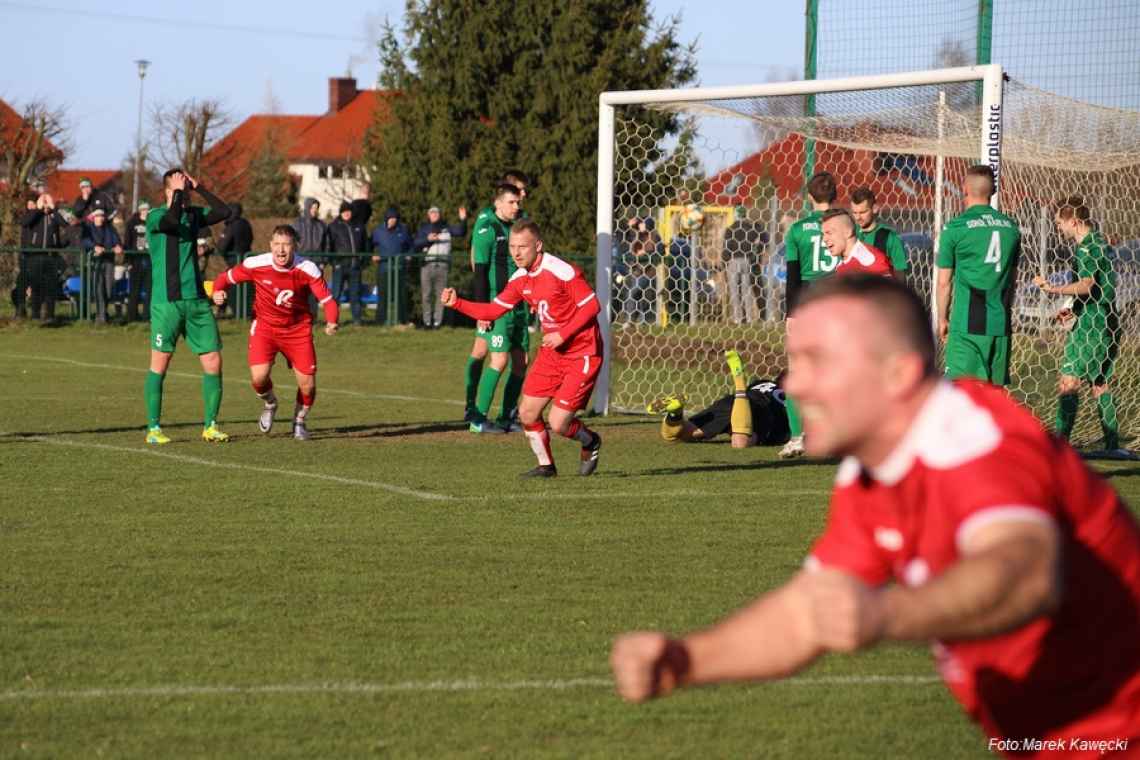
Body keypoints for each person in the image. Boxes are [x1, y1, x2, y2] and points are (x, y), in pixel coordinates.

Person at [611, 274, 1140, 754]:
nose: (795, 385)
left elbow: (1025, 573)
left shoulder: (974, 440)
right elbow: (807, 614)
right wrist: (686, 661)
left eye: (819, 362)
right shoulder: (871, 471)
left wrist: (885, 614)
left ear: (898, 373)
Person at [442, 219, 603, 478]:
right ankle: (546, 466)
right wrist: (457, 303)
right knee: (528, 412)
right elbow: (493, 310)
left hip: (582, 352)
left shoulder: (561, 271)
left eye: (523, 247)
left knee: (559, 423)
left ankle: (590, 441)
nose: (516, 253)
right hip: (552, 353)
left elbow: (592, 305)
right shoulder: (519, 278)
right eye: (513, 247)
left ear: (538, 246)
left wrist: (563, 334)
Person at [210, 225, 339, 440]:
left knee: (307, 384)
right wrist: (217, 292)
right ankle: (270, 403)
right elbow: (225, 278)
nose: (281, 250)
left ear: (294, 246)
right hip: (265, 328)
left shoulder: (307, 268)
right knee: (259, 378)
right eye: (277, 245)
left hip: (297, 330)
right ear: (270, 245)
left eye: (286, 245)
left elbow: (327, 300)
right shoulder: (255, 264)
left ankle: (299, 421)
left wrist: (332, 321)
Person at [142, 167, 233, 444]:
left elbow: (223, 211)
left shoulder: (192, 216)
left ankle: (210, 426)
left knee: (213, 360)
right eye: (177, 188)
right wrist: (179, 193)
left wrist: (200, 187)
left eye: (183, 189)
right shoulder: (156, 216)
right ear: (168, 192)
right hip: (167, 303)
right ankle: (153, 429)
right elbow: (171, 221)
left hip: (195, 301)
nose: (183, 195)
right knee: (160, 363)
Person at [1033, 196, 1125, 455]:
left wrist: (1052, 288)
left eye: (1059, 223)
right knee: (1100, 383)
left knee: (1068, 383)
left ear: (1073, 221)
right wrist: (1068, 309)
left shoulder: (1086, 248)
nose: (1059, 228)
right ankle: (1112, 447)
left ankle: (1058, 447)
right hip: (1106, 318)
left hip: (1091, 323)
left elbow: (1087, 285)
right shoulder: (1101, 242)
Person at [936, 165, 1022, 387]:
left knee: (962, 395)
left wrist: (942, 318)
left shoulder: (955, 228)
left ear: (964, 189)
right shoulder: (1011, 229)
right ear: (992, 192)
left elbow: (944, 283)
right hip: (999, 324)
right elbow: (1013, 281)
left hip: (966, 325)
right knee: (994, 399)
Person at [464, 170, 531, 420]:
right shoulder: (487, 221)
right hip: (496, 301)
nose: (522, 198)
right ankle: (474, 411)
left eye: (522, 196)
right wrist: (484, 310)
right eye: (518, 192)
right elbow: (478, 264)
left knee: (518, 359)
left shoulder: (521, 220)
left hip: (518, 302)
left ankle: (506, 415)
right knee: (488, 355)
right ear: (504, 193)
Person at [780, 171, 838, 459]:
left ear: (810, 197)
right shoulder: (843, 226)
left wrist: (791, 314)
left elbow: (792, 276)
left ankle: (797, 437)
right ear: (835, 196)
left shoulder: (798, 229)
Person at [648, 350, 788, 448]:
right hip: (762, 410)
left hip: (734, 401)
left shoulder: (763, 383)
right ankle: (739, 380)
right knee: (740, 443)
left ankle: (675, 414)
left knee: (681, 435)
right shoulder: (796, 399)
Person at [413, 205, 468, 328]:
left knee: (441, 295)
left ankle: (437, 322)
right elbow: (415, 243)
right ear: (428, 215)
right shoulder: (424, 229)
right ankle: (427, 322)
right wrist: (427, 239)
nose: (434, 215)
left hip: (443, 265)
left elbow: (461, 232)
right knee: (426, 294)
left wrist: (463, 220)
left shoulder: (446, 228)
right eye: (432, 213)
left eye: (436, 213)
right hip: (427, 265)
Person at [19, 192, 66, 322]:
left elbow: (65, 224)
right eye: (43, 201)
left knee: (51, 287)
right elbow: (24, 222)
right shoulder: (35, 215)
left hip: (51, 256)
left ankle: (50, 315)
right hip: (36, 255)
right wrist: (38, 209)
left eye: (47, 202)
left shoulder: (54, 216)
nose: (45, 204)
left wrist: (54, 209)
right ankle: (35, 315)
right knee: (36, 286)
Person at [850, 186, 909, 278]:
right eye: (855, 213)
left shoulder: (890, 237)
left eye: (863, 212)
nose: (858, 218)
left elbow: (899, 273)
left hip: (879, 290)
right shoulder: (850, 234)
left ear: (874, 209)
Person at [327, 201, 369, 326]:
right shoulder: (334, 226)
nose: (346, 213)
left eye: (348, 211)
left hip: (355, 267)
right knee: (335, 295)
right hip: (339, 266)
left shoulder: (359, 225)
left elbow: (365, 245)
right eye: (344, 211)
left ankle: (357, 320)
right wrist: (334, 263)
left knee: (355, 295)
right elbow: (329, 246)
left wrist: (363, 261)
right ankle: (332, 320)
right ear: (341, 212)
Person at [820, 208, 895, 278]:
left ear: (848, 233)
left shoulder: (867, 259)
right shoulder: (845, 262)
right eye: (823, 234)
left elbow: (889, 289)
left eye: (829, 233)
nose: (824, 239)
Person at [371, 206, 413, 324]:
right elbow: (369, 246)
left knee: (401, 296)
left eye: (395, 218)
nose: (393, 220)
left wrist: (409, 256)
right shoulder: (378, 231)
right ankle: (380, 321)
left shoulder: (403, 230)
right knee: (383, 296)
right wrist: (373, 255)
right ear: (386, 219)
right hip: (384, 268)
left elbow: (411, 246)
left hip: (399, 268)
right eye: (390, 218)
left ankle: (402, 320)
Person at [81, 208, 124, 323]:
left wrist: (118, 246)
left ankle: (103, 313)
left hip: (109, 261)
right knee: (99, 288)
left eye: (102, 216)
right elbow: (85, 242)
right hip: (95, 262)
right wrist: (94, 246)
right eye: (98, 216)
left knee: (109, 288)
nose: (100, 218)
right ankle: (101, 316)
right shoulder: (88, 229)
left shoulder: (109, 229)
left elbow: (117, 241)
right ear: (93, 217)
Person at [721, 212, 761, 324]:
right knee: (746, 291)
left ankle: (737, 318)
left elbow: (726, 247)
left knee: (734, 291)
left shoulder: (730, 229)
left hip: (734, 260)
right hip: (747, 261)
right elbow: (756, 245)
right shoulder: (750, 229)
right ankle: (749, 318)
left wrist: (724, 262)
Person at [216, 203, 253, 318]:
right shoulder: (246, 224)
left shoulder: (231, 226)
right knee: (246, 288)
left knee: (225, 283)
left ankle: (222, 310)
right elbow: (250, 239)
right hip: (246, 261)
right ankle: (245, 312)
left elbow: (222, 246)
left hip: (234, 261)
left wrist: (218, 249)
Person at [123, 201, 151, 323]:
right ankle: (132, 317)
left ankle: (147, 316)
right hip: (136, 260)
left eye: (147, 209)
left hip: (150, 261)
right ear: (139, 210)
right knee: (134, 290)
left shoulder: (153, 222)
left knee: (150, 290)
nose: (145, 211)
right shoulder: (132, 223)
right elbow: (127, 243)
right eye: (143, 209)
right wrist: (127, 261)